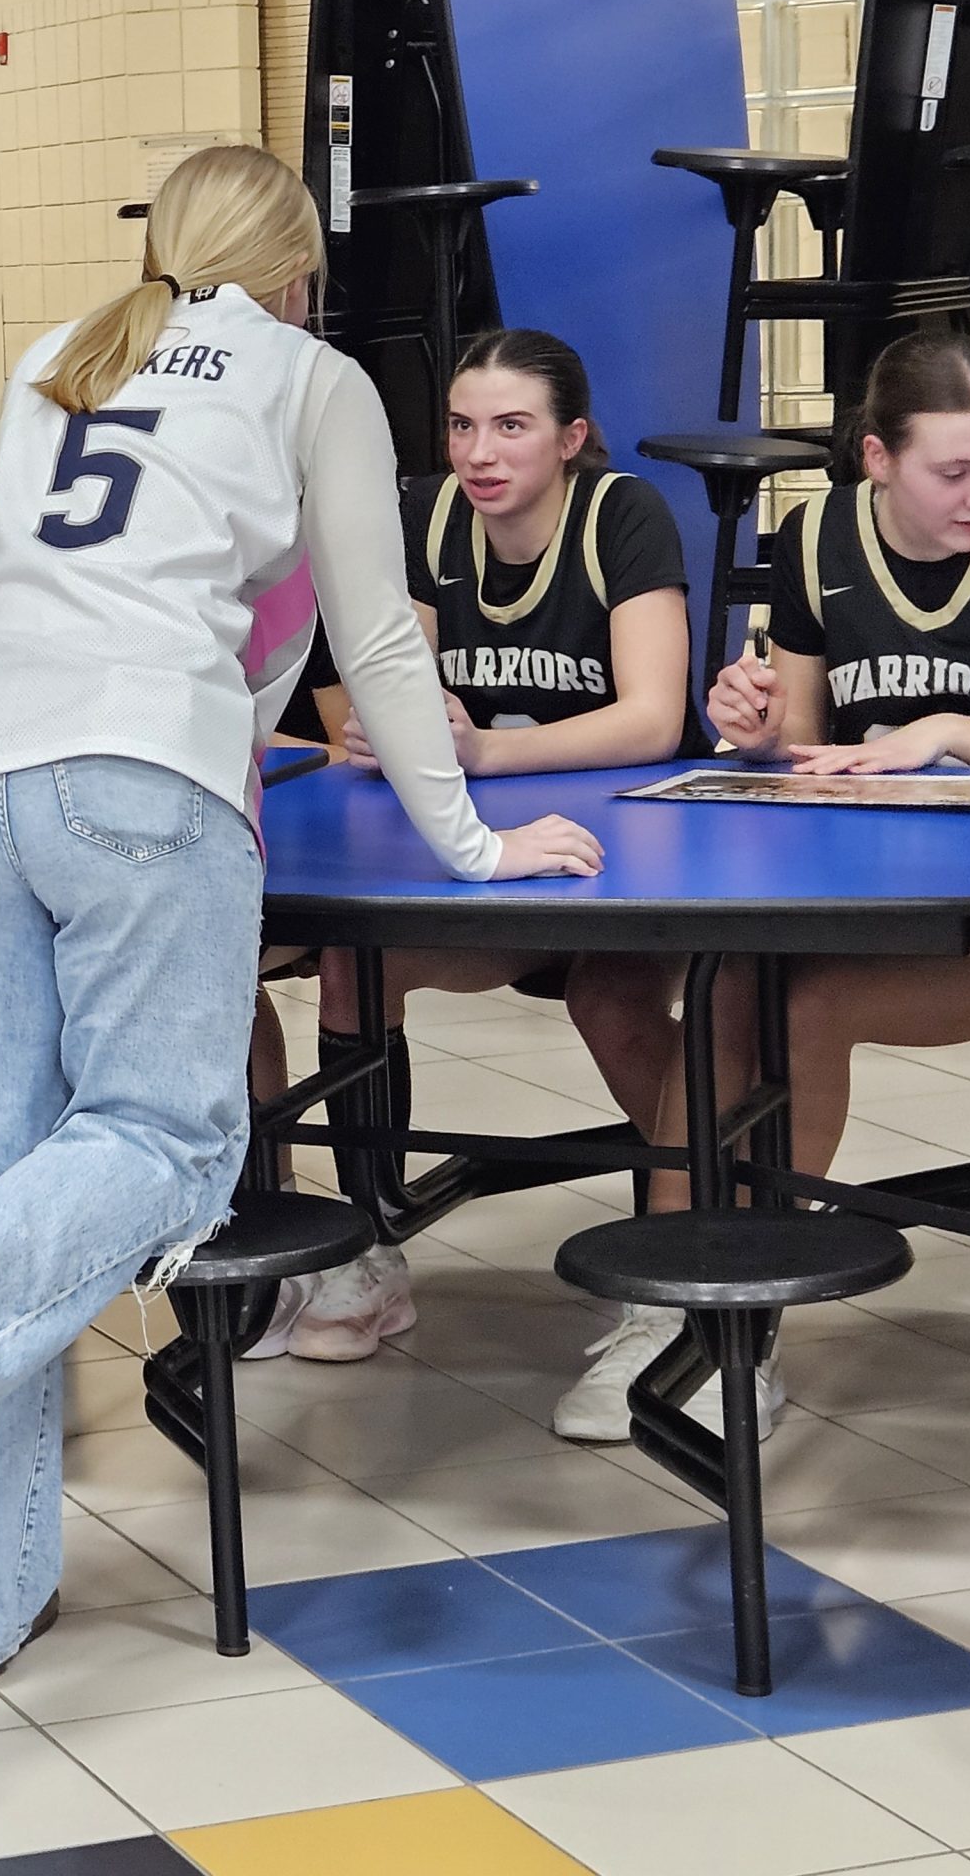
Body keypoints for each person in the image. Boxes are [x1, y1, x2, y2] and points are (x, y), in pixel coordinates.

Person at [0, 144, 600, 1689]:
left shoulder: (60, 352)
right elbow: (370, 628)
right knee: (167, 1144)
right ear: (297, 268)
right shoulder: (311, 374)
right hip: (136, 781)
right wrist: (474, 841)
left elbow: (84, 581)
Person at [555, 329, 970, 1443]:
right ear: (875, 459)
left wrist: (948, 730)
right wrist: (750, 729)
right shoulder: (814, 540)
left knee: (799, 1010)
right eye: (954, 471)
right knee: (719, 991)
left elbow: (932, 738)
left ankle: (743, 1337)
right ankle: (661, 1307)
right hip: (853, 890)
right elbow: (800, 746)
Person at [276, 330, 692, 1362]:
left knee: (614, 999)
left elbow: (653, 720)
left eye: (511, 426)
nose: (479, 451)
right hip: (494, 851)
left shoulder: (623, 515)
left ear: (570, 439)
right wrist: (384, 730)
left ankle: (694, 1239)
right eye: (463, 426)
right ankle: (371, 1248)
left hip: (620, 862)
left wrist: (485, 755)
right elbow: (404, 692)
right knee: (351, 963)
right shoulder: (426, 519)